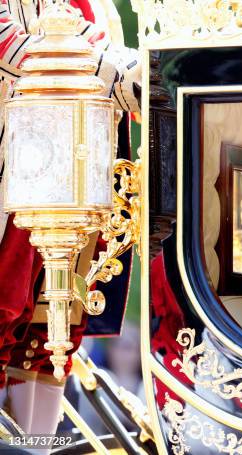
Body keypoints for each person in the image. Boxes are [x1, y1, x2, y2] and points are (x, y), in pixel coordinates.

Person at [0, 0, 140, 439]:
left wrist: (142, 74)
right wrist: (121, 75)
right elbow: (15, 49)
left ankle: (36, 445)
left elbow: (100, 46)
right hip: (17, 170)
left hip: (81, 175)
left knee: (49, 329)